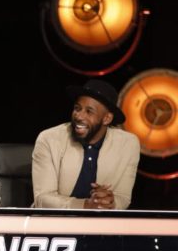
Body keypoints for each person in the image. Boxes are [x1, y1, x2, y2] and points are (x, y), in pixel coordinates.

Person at [32, 79, 140, 209]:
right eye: (77, 108)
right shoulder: (49, 139)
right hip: (54, 222)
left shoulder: (128, 144)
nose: (79, 116)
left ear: (107, 118)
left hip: (101, 225)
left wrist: (109, 201)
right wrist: (85, 205)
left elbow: (123, 197)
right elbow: (42, 199)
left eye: (89, 111)